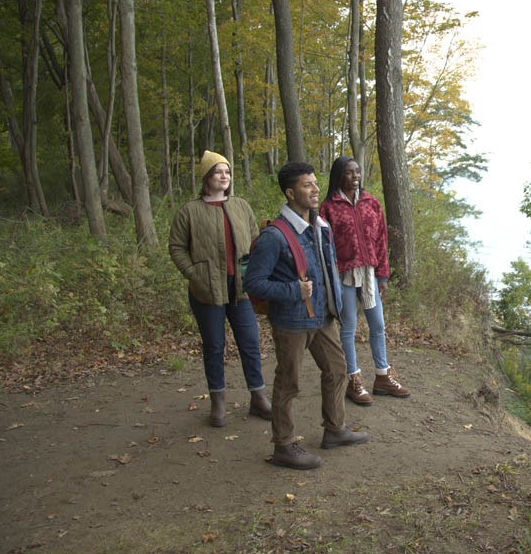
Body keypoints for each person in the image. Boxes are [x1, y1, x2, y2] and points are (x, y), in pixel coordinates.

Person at [243, 161, 369, 470]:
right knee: (289, 384)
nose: (314, 190)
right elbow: (253, 283)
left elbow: (328, 270)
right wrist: (291, 290)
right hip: (291, 322)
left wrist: (337, 307)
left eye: (315, 183)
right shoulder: (275, 236)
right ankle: (284, 446)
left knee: (338, 369)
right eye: (306, 185)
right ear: (290, 193)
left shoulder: (320, 225)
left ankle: (335, 429)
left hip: (322, 318)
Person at [168, 150, 271, 427]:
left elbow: (255, 241)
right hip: (206, 289)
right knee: (214, 346)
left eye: (227, 172)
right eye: (218, 171)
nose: (224, 176)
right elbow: (176, 247)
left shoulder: (240, 206)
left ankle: (258, 397)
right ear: (206, 176)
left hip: (241, 288)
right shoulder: (189, 211)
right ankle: (218, 403)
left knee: (250, 343)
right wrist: (193, 274)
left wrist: (256, 274)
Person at [319, 156, 410, 405]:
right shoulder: (329, 207)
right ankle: (353, 380)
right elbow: (325, 247)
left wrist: (383, 275)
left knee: (377, 324)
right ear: (339, 176)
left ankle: (382, 376)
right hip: (344, 274)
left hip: (369, 273)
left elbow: (381, 241)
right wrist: (332, 278)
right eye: (349, 172)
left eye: (357, 171)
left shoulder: (372, 203)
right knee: (348, 326)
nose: (355, 176)